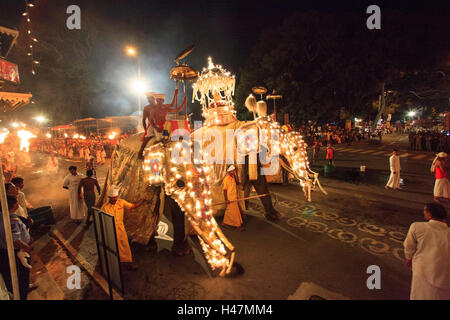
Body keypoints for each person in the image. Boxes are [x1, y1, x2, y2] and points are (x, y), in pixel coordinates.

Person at [403, 203, 450, 300]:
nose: (424, 212)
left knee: (420, 293)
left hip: (422, 269)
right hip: (445, 275)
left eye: (425, 211)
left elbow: (409, 245)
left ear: (430, 215)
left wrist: (408, 258)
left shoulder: (417, 226)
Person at [100, 185, 145, 270]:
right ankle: (113, 264)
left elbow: (133, 206)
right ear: (109, 197)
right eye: (112, 198)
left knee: (125, 245)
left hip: (120, 229)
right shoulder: (104, 208)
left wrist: (143, 201)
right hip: (110, 230)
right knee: (113, 247)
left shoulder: (121, 202)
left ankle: (128, 261)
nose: (113, 199)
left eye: (115, 197)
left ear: (117, 196)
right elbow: (102, 221)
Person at [0, 196, 33, 300]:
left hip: (5, 253)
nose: (18, 203)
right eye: (16, 202)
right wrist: (26, 247)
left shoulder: (2, 216)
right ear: (13, 205)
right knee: (22, 279)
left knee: (12, 279)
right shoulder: (12, 219)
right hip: (18, 253)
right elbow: (15, 240)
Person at [138, 89, 182, 159]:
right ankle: (140, 153)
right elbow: (144, 120)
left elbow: (172, 105)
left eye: (150, 99)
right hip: (152, 125)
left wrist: (175, 95)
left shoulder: (161, 106)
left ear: (154, 99)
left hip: (163, 124)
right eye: (148, 99)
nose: (149, 100)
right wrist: (145, 130)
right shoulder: (146, 108)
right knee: (147, 138)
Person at [222, 165, 244, 231]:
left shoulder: (233, 177)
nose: (234, 172)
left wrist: (239, 183)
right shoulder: (226, 179)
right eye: (233, 171)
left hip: (234, 197)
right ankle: (238, 225)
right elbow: (225, 190)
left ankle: (225, 223)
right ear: (229, 171)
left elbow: (235, 183)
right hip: (230, 198)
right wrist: (226, 199)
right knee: (233, 212)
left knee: (230, 211)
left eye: (234, 170)